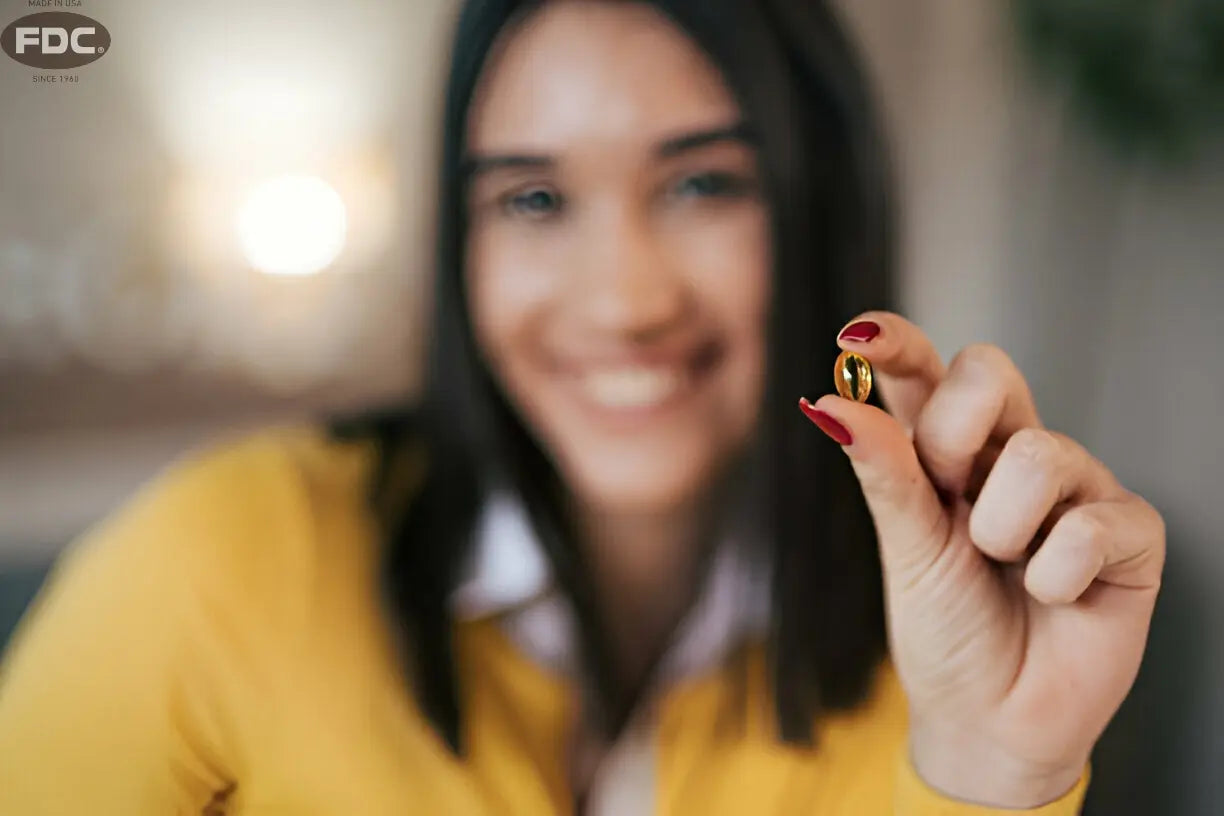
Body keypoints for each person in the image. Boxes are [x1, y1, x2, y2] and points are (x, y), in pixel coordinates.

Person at [0, 1, 1165, 813]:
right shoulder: (215, 566)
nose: (622, 300)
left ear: (824, 209)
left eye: (704, 183)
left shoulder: (948, 651)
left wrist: (988, 770)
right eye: (536, 197)